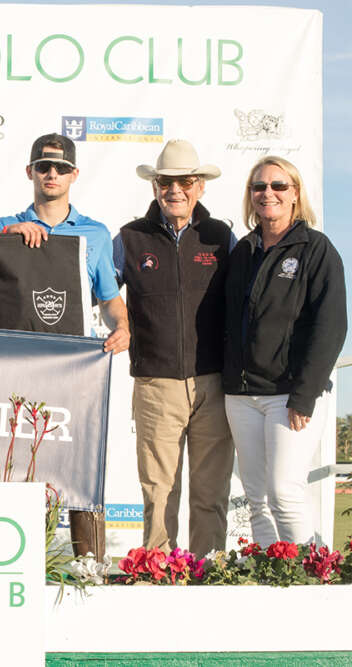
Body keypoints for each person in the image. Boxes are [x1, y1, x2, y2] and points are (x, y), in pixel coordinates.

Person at [0, 132, 130, 557]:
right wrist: (4, 246)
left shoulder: (95, 233)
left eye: (60, 167)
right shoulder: (3, 227)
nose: (51, 173)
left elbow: (110, 301)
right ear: (30, 173)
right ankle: (21, 561)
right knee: (20, 467)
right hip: (15, 369)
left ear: (74, 174)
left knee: (80, 464)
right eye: (43, 166)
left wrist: (123, 327)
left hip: (76, 369)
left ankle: (89, 564)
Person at [114, 139, 235, 556]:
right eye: (166, 182)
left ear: (199, 186)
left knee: (210, 494)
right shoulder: (129, 238)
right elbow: (101, 291)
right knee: (159, 492)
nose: (175, 190)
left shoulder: (221, 236)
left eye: (184, 181)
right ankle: (158, 576)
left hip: (214, 383)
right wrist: (120, 323)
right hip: (155, 383)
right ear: (155, 187)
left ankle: (207, 574)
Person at [223, 156, 346, 545]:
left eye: (278, 186)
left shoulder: (316, 249)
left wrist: (304, 394)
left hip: (290, 395)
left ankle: (313, 577)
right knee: (256, 499)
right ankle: (270, 576)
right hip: (241, 395)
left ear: (295, 194)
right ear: (250, 196)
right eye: (259, 187)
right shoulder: (243, 250)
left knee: (285, 493)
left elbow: (331, 326)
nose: (268, 194)